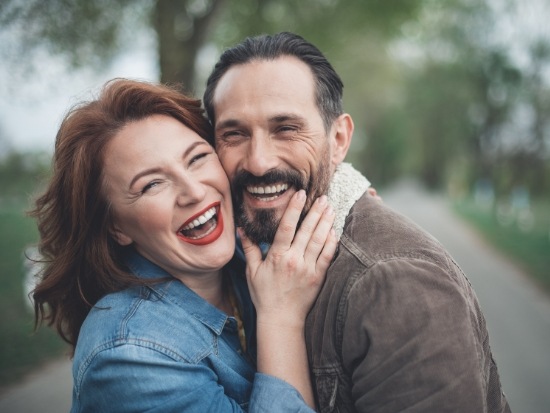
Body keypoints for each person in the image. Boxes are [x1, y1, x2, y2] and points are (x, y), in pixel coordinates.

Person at [203, 32, 512, 412]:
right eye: (234, 134)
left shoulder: (397, 284)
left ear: (338, 140)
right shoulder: (240, 248)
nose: (259, 162)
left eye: (286, 129)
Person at [30, 78, 339, 412]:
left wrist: (354, 201)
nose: (193, 191)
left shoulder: (246, 251)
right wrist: (280, 317)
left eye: (196, 158)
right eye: (152, 184)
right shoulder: (130, 355)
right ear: (116, 227)